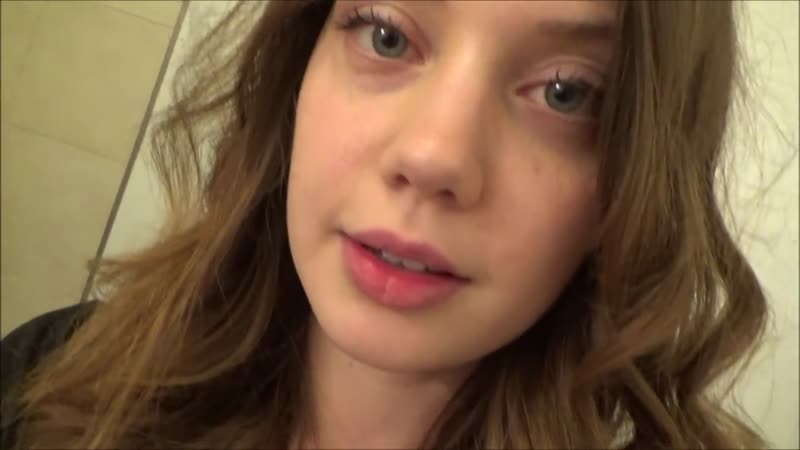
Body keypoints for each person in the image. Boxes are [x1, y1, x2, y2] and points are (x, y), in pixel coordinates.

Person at [0, 1, 770, 448]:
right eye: (386, 34)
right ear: (296, 69)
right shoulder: (50, 381)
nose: (433, 155)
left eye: (567, 92)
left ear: (639, 174)